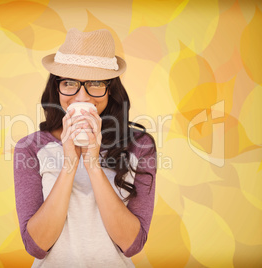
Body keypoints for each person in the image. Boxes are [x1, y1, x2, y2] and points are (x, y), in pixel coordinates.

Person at [13, 28, 157, 267]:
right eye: (70, 83)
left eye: (95, 83)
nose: (82, 97)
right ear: (56, 87)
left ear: (110, 89)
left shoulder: (140, 146)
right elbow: (36, 246)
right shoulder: (30, 148)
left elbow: (132, 244)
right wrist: (69, 164)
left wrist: (92, 164)